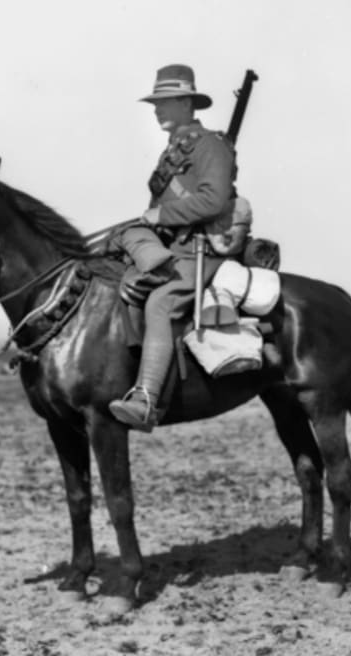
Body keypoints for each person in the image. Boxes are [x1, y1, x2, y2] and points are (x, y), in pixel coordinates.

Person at [109, 64, 238, 432]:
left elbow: (214, 201)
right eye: (155, 103)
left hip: (201, 251)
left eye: (164, 102)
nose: (156, 110)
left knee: (160, 302)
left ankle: (147, 397)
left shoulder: (211, 145)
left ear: (185, 102)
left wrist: (160, 215)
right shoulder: (173, 152)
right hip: (174, 249)